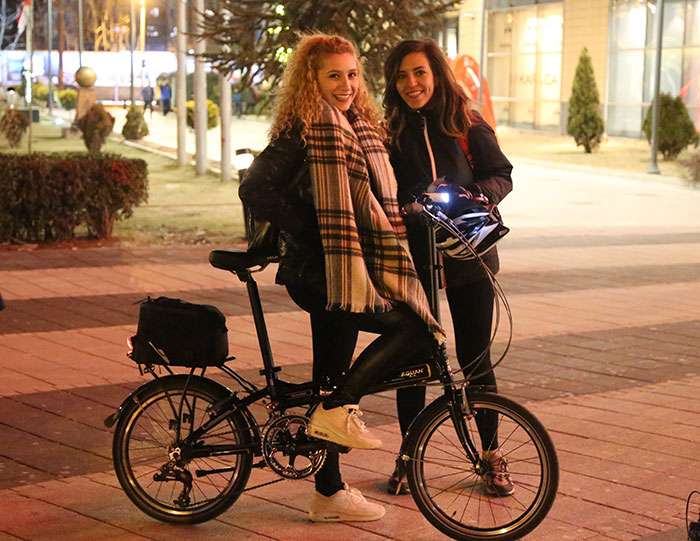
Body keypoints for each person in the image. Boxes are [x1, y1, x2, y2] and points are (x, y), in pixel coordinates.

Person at [239, 33, 442, 523]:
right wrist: (321, 230)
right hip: (321, 271)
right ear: (311, 80)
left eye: (352, 74)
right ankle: (339, 410)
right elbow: (255, 187)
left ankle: (328, 491)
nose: (346, 85)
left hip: (348, 271)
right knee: (415, 330)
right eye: (334, 75)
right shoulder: (303, 130)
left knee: (330, 379)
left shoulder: (359, 128)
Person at [383, 38, 514, 497]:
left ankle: (491, 455)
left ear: (436, 73)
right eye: (401, 76)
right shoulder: (390, 131)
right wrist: (408, 203)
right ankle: (409, 457)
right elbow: (385, 188)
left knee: (476, 359)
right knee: (415, 362)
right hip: (415, 262)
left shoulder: (465, 121)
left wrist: (473, 195)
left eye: (419, 72)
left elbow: (502, 174)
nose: (411, 83)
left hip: (469, 258)